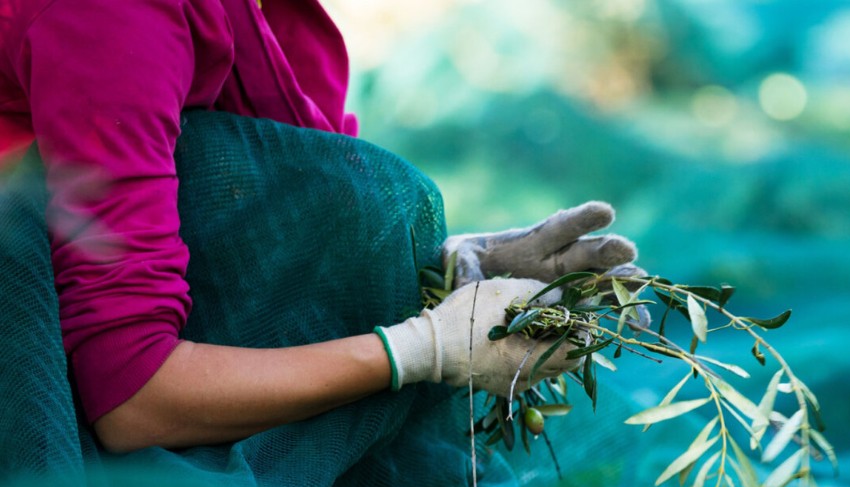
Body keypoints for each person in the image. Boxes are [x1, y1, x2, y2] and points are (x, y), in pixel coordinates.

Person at [0, 0, 641, 455]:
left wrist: (447, 265)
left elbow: (307, 217)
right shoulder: (111, 19)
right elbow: (130, 396)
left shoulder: (269, 19)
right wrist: (422, 349)